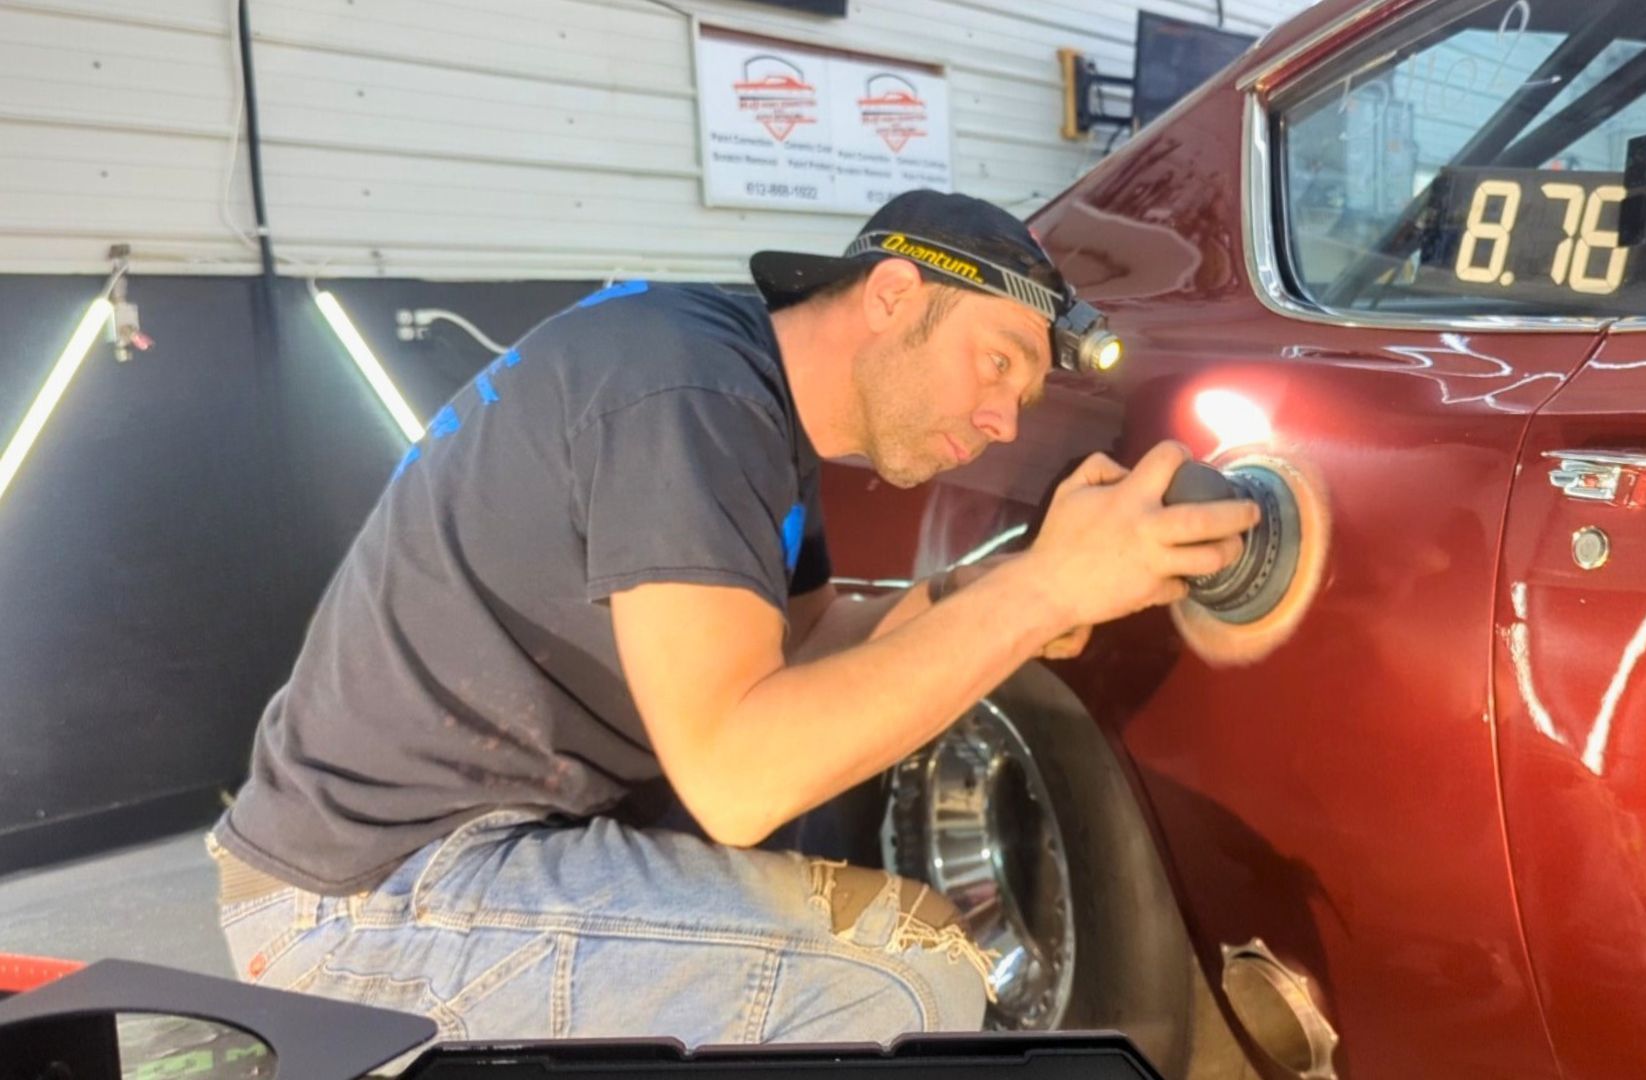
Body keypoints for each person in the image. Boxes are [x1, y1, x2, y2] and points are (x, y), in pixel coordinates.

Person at [206, 190, 1257, 1045]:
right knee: (906, 971)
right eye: (998, 363)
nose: (999, 419)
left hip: (463, 842)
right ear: (894, 294)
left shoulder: (734, 388)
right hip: (367, 900)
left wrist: (983, 597)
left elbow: (801, 647)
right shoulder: (689, 395)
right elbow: (740, 774)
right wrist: (1049, 590)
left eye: (1022, 399)